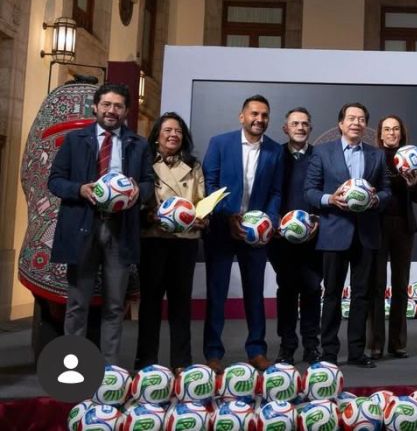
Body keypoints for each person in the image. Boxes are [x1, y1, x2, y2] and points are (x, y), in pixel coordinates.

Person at [48, 82, 154, 366]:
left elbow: (148, 185)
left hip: (120, 230)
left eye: (118, 106)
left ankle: (109, 372)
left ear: (127, 111)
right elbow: (55, 180)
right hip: (83, 226)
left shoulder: (139, 144)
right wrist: (80, 189)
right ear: (95, 107)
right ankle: (74, 369)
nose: (111, 110)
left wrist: (137, 193)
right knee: (78, 304)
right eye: (106, 104)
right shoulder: (74, 140)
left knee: (115, 305)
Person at [305, 102, 391, 368]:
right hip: (333, 233)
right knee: (331, 294)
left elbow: (387, 191)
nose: (356, 122)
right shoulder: (322, 152)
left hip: (366, 235)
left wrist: (376, 200)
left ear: (365, 125)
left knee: (362, 295)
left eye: (361, 118)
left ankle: (356, 352)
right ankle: (329, 352)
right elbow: (309, 191)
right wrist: (331, 199)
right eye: (351, 118)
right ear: (341, 123)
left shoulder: (377, 155)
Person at [202, 94, 285, 372]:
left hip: (256, 233)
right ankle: (213, 353)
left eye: (264, 115)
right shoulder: (220, 143)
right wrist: (227, 215)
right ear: (242, 116)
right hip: (222, 229)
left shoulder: (275, 151)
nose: (259, 119)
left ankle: (257, 350)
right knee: (217, 293)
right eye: (254, 114)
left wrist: (270, 220)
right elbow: (210, 183)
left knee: (255, 293)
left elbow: (276, 192)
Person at [135, 112, 206, 372]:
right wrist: (149, 214)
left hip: (184, 241)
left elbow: (201, 200)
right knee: (150, 303)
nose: (173, 135)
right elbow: (137, 195)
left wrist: (201, 218)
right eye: (167, 130)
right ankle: (146, 361)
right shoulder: (144, 163)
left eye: (177, 131)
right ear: (156, 137)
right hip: (153, 239)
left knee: (180, 304)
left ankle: (181, 363)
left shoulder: (194, 165)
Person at [268, 107, 322, 365]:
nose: (300, 127)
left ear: (310, 128)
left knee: (312, 289)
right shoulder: (274, 156)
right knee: (287, 290)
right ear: (285, 129)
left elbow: (326, 193)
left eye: (305, 124)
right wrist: (275, 222)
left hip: (313, 239)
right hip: (281, 239)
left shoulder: (320, 156)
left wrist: (318, 222)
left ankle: (312, 345)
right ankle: (287, 345)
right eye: (295, 123)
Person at [367, 114, 417, 360]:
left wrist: (413, 183)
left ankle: (398, 343)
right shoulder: (373, 157)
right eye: (387, 129)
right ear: (380, 133)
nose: (391, 133)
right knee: (376, 286)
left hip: (403, 227)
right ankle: (375, 343)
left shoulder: (411, 157)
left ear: (401, 133)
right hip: (377, 226)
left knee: (400, 286)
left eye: (395, 129)